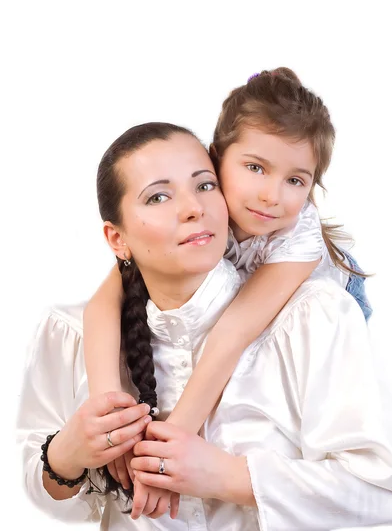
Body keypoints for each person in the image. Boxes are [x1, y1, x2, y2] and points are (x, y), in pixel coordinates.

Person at [17, 122, 392, 529]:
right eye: (158, 196)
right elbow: (48, 499)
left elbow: (389, 490)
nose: (193, 207)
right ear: (116, 238)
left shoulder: (311, 316)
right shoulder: (70, 334)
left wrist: (230, 477)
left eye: (205, 185)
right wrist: (65, 455)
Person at [83, 68, 374, 512]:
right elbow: (107, 299)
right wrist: (112, 418)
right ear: (215, 157)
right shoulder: (200, 208)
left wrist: (168, 449)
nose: (272, 196)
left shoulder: (299, 240)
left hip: (317, 294)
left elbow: (233, 333)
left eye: (296, 180)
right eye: (255, 168)